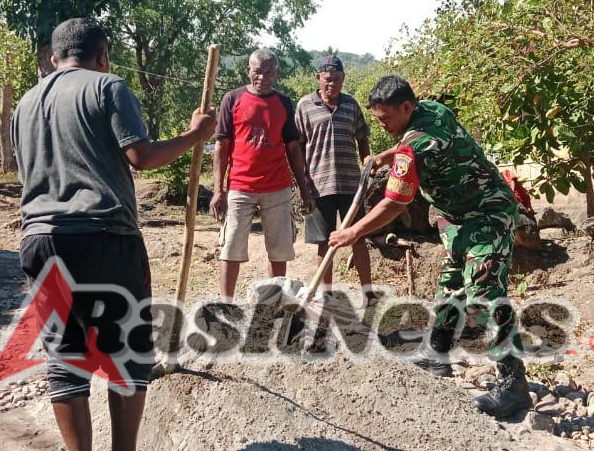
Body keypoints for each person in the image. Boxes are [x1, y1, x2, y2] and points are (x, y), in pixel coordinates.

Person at [12, 18, 215, 451]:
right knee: (126, 354)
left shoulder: (25, 103)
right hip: (104, 236)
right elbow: (139, 155)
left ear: (54, 58)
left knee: (66, 358)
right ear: (102, 56)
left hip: (39, 239)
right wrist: (196, 135)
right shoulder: (108, 87)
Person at [328, 76, 530, 418]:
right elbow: (415, 141)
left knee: (485, 292)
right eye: (377, 119)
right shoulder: (432, 110)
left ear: (407, 107)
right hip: (459, 217)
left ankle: (514, 386)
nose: (384, 125)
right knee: (452, 285)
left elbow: (395, 203)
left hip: (488, 212)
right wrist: (384, 155)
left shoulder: (413, 147)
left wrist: (353, 232)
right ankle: (437, 354)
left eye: (386, 118)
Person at [210, 48, 316, 299]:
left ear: (276, 74)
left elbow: (293, 147)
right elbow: (221, 146)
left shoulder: (283, 102)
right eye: (258, 71)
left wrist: (304, 188)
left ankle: (272, 303)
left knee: (279, 250)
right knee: (231, 247)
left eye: (269, 72)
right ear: (248, 71)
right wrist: (218, 191)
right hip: (240, 186)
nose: (263, 77)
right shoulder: (232, 99)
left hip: (277, 187)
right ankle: (227, 303)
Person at [294, 55, 376, 301]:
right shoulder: (305, 106)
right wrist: (303, 186)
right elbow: (297, 146)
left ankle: (368, 294)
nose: (332, 85)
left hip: (352, 184)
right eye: (327, 80)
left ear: (343, 79)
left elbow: (362, 136)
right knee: (325, 242)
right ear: (318, 78)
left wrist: (367, 162)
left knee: (358, 238)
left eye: (337, 80)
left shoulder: (351, 105)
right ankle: (326, 295)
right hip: (318, 186)